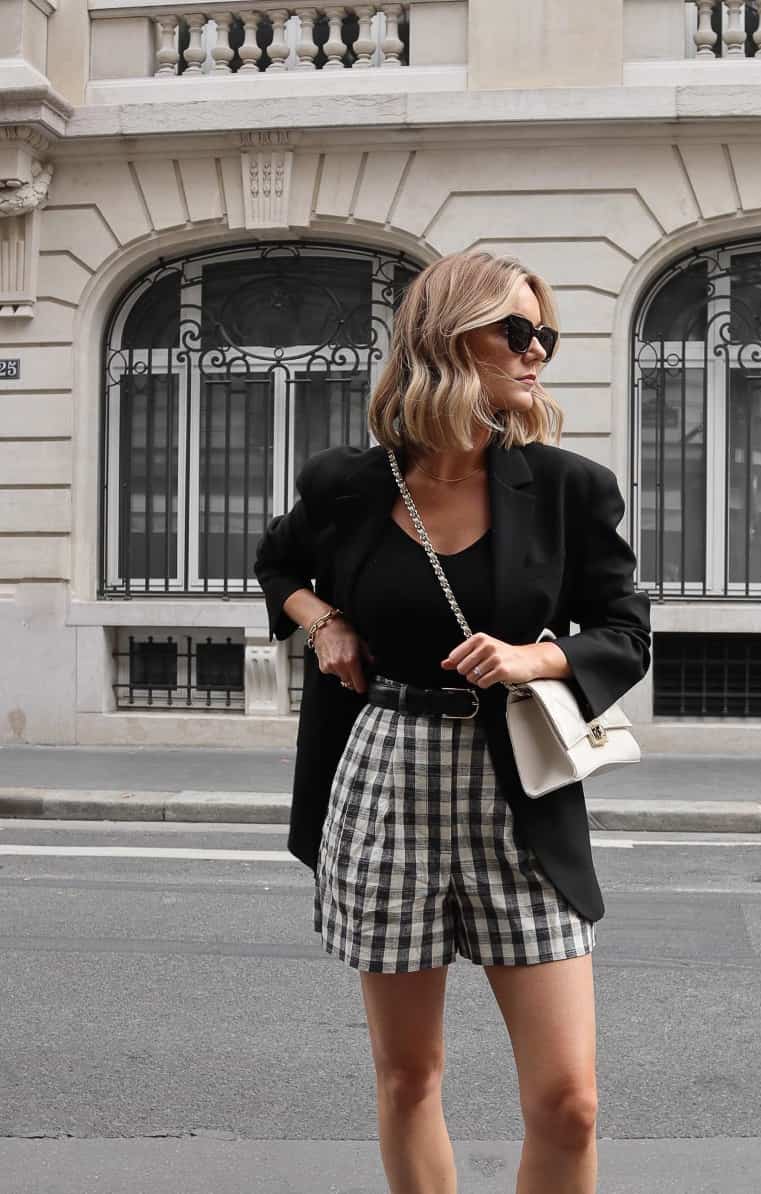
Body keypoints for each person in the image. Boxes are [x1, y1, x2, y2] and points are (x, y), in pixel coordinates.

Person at [254, 249, 652, 1194]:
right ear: (447, 336)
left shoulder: (567, 487)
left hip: (517, 791)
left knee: (570, 1101)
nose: (536, 353)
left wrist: (534, 657)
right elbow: (278, 569)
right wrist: (327, 623)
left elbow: (625, 632)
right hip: (386, 781)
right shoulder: (349, 485)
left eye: (545, 335)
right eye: (516, 331)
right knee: (409, 1076)